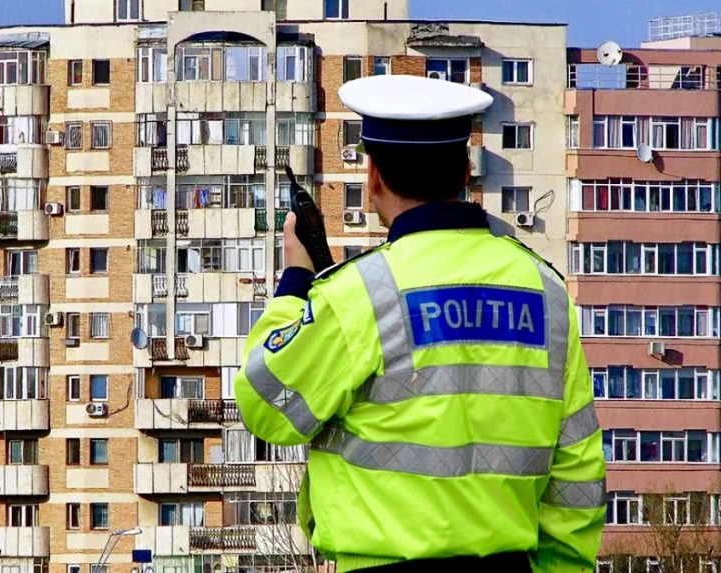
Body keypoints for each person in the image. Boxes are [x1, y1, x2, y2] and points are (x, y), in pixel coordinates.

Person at [234, 75, 605, 573]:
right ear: (466, 172)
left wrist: (295, 284)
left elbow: (267, 408)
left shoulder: (358, 294)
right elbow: (577, 469)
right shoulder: (546, 290)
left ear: (373, 177)